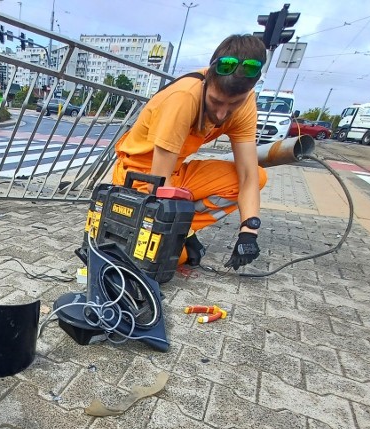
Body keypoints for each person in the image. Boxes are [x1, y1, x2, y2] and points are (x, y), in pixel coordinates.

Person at [111, 34, 268, 270]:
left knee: (257, 176)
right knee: (173, 257)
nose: (223, 114)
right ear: (208, 79)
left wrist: (249, 231)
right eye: (215, 101)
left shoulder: (246, 102)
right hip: (141, 178)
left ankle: (179, 230)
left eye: (233, 104)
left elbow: (248, 175)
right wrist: (188, 233)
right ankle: (177, 234)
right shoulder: (183, 98)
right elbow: (159, 185)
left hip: (175, 174)